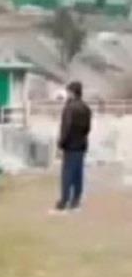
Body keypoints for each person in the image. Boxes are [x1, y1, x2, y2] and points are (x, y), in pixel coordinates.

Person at [54, 81, 92, 212]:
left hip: (70, 145)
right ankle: (76, 200)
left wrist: (61, 143)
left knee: (67, 174)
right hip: (81, 144)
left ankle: (64, 200)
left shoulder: (69, 108)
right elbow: (88, 128)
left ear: (72, 92)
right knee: (78, 174)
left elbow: (66, 128)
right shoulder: (86, 108)